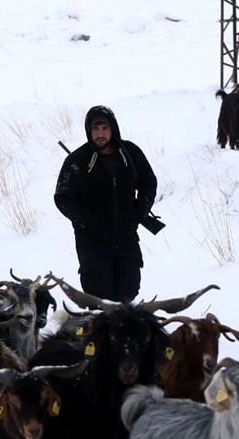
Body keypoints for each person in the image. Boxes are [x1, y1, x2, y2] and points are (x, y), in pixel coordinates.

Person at [53, 105, 159, 303]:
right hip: (93, 242)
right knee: (98, 297)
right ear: (88, 130)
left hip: (126, 236)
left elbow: (148, 182)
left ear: (113, 128)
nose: (100, 134)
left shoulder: (131, 153)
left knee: (129, 291)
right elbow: (62, 197)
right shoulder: (77, 161)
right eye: (95, 129)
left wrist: (139, 211)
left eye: (104, 128)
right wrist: (88, 222)